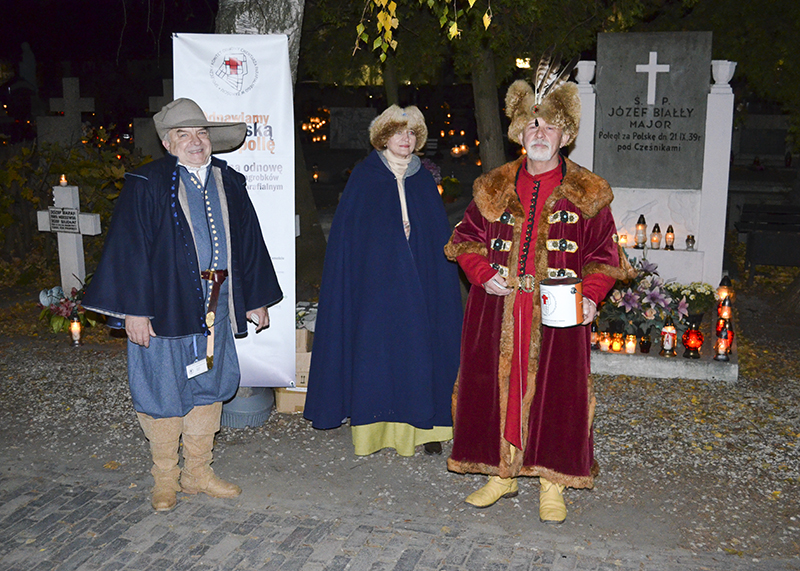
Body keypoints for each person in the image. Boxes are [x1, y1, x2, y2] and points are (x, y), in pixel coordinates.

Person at [444, 66, 634, 522]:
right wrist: (479, 269)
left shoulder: (587, 191)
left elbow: (605, 255)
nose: (540, 133)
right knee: (494, 390)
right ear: (518, 132)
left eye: (550, 125)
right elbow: (464, 239)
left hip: (559, 312)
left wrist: (590, 295)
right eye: (533, 124)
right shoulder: (493, 186)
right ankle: (501, 474)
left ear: (565, 135)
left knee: (557, 394)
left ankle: (552, 482)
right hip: (499, 307)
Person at [82, 98, 283, 511]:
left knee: (209, 386)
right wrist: (133, 311)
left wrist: (256, 299)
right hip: (163, 309)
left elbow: (248, 243)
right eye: (184, 135)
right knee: (161, 390)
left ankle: (198, 472)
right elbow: (129, 248)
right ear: (168, 142)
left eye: (201, 133)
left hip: (218, 306)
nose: (196, 142)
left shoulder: (230, 181)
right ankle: (165, 479)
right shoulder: (147, 182)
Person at [304, 105, 462, 457]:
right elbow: (352, 236)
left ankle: (427, 427)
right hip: (377, 284)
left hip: (420, 280)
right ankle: (374, 430)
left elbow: (436, 235)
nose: (405, 140)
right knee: (378, 352)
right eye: (397, 133)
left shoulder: (423, 179)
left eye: (411, 133)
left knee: (423, 347)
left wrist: (415, 236)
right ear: (383, 137)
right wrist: (389, 238)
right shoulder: (365, 176)